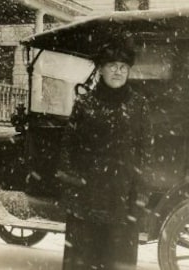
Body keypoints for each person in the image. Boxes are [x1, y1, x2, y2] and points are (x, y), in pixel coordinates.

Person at [56, 41, 153, 270]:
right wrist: (71, 184)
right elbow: (68, 146)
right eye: (112, 65)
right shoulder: (85, 104)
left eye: (123, 67)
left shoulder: (139, 105)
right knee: (82, 261)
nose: (118, 71)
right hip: (86, 196)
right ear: (100, 68)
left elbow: (145, 151)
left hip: (122, 198)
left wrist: (141, 193)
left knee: (117, 261)